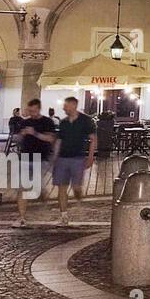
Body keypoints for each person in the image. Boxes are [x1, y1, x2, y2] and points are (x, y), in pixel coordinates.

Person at [51, 96, 96, 227]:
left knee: (76, 187)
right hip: (62, 158)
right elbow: (59, 140)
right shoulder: (64, 122)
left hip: (77, 158)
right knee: (61, 187)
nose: (64, 108)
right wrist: (55, 156)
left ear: (73, 105)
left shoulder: (85, 120)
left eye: (66, 105)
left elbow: (93, 138)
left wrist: (91, 156)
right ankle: (63, 215)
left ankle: (78, 197)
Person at [14, 99, 55, 228]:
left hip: (41, 158)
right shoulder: (24, 122)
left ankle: (42, 194)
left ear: (39, 109)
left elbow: (50, 139)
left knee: (37, 187)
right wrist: (21, 134)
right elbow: (17, 139)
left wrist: (35, 133)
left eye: (34, 110)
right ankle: (21, 217)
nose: (32, 113)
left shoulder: (47, 122)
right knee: (22, 188)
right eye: (30, 110)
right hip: (25, 158)